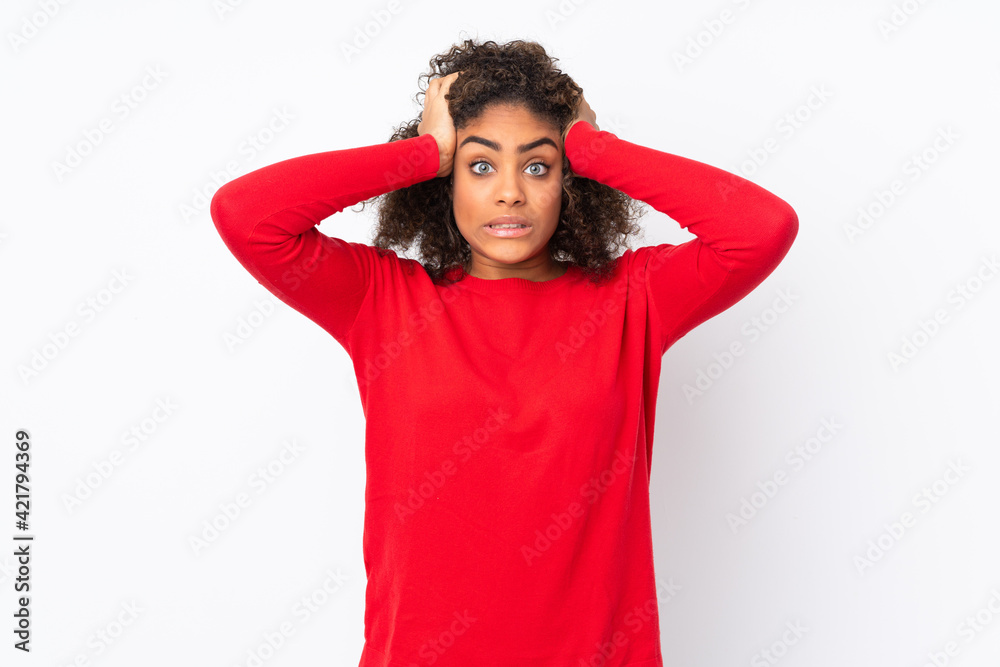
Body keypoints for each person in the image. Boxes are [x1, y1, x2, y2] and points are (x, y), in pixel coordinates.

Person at [211, 38, 797, 667]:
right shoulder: (382, 301)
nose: (511, 192)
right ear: (447, 183)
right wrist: (423, 152)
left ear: (569, 182)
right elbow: (246, 216)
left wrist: (595, 148)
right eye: (480, 166)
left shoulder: (635, 299)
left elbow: (761, 229)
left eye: (538, 166)